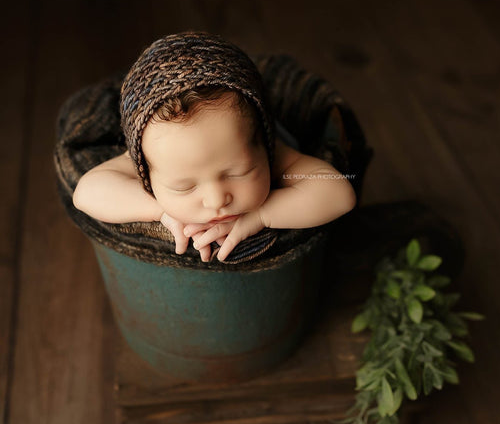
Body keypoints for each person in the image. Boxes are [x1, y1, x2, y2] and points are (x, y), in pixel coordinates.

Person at [73, 32, 356, 263]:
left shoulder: (275, 152)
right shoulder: (154, 150)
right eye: (184, 187)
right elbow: (87, 191)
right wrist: (161, 211)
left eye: (238, 172)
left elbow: (337, 193)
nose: (216, 199)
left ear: (263, 145)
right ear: (144, 169)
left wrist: (261, 215)